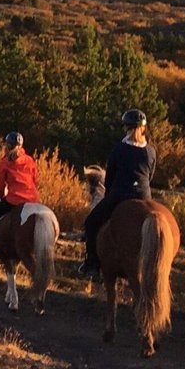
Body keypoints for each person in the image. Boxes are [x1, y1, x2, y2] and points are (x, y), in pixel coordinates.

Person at [79, 109, 156, 279]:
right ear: (143, 128)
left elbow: (110, 177)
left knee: (91, 223)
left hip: (120, 194)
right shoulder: (150, 151)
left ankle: (92, 264)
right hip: (144, 196)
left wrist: (109, 191)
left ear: (126, 128)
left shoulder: (119, 149)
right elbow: (150, 176)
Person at [0, 132, 39, 255]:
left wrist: (2, 196)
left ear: (7, 146)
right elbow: (35, 180)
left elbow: (0, 184)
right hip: (33, 199)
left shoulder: (6, 162)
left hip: (15, 199)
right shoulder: (30, 160)